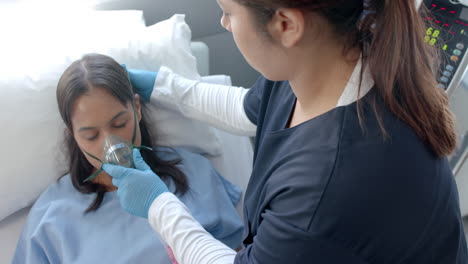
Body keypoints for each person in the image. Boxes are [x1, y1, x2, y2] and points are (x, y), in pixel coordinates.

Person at [103, 0, 468, 263]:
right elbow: (251, 109)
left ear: (286, 25)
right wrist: (163, 87)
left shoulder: (332, 186)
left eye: (229, 13)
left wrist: (157, 204)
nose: (225, 24)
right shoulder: (326, 61)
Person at [12, 54, 244, 264]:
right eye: (91, 135)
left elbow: (237, 254)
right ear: (72, 135)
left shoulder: (193, 173)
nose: (110, 144)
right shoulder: (51, 216)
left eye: (120, 124)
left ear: (137, 108)